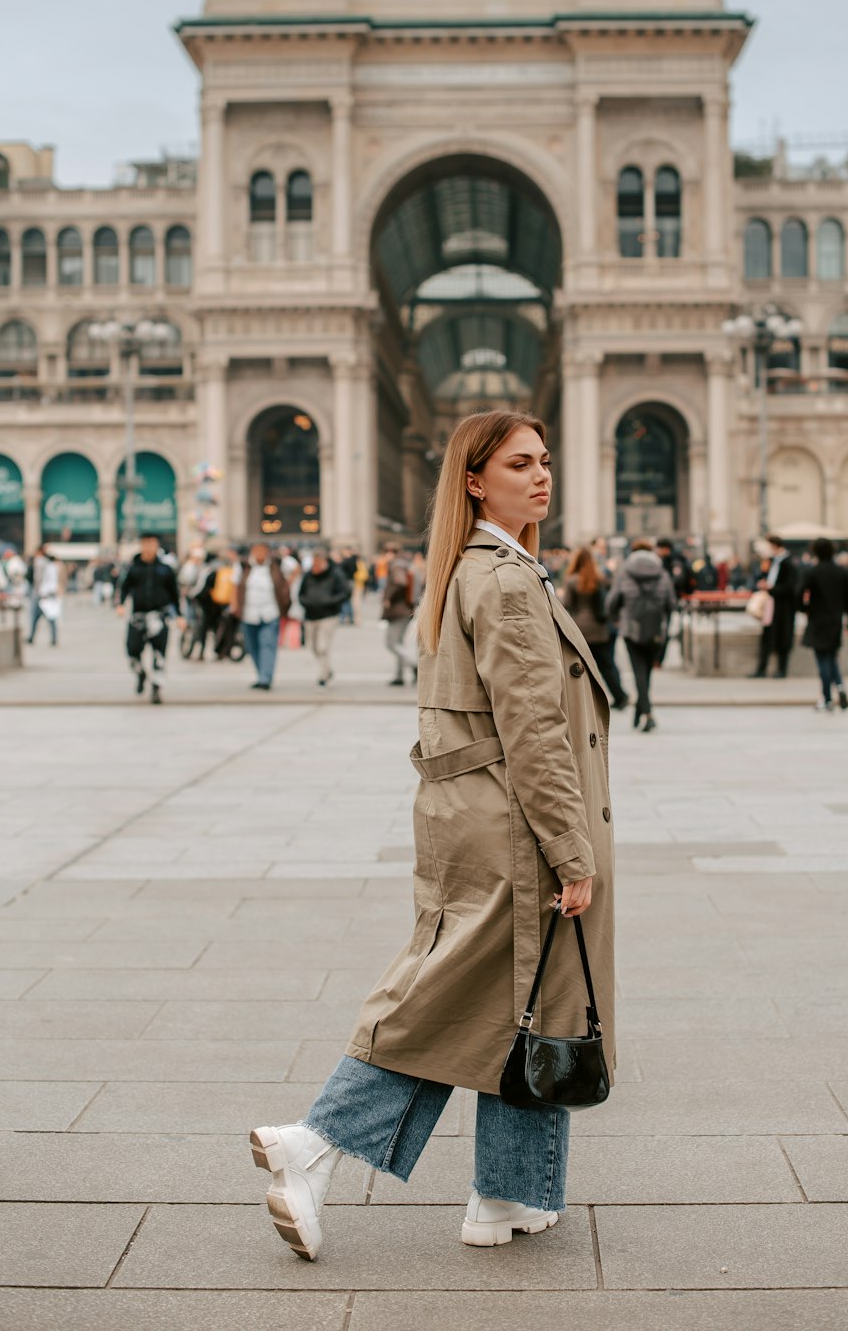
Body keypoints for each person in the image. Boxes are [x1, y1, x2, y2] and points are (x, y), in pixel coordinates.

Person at [249, 409, 615, 1260]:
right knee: (459, 999)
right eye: (520, 463)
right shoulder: (507, 579)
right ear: (477, 480)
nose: (542, 475)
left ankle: (507, 1195)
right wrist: (571, 848)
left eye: (546, 460)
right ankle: (317, 1143)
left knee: (523, 1000)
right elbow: (534, 731)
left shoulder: (479, 569)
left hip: (478, 815)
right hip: (515, 827)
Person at [606, 540, 676, 733]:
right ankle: (642, 710)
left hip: (632, 629)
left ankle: (647, 713)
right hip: (655, 629)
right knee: (646, 673)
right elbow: (671, 604)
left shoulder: (625, 572)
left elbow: (612, 602)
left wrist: (616, 619)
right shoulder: (662, 574)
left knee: (639, 673)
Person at [561, 544, 629, 710]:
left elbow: (566, 605)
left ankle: (586, 701)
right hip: (600, 629)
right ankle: (620, 696)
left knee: (580, 667)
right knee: (607, 665)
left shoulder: (572, 580)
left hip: (580, 630)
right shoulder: (600, 578)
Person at [116, 533, 182, 703]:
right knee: (132, 650)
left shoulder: (165, 569)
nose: (148, 547)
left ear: (157, 545)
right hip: (138, 616)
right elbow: (124, 587)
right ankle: (141, 674)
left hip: (159, 616)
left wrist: (179, 616)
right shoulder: (133, 567)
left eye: (152, 543)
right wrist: (121, 604)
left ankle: (156, 688)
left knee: (159, 654)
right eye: (145, 543)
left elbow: (174, 593)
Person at [802, 536, 848, 712]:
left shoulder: (813, 572)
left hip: (817, 620)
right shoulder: (841, 572)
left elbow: (798, 592)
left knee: (822, 660)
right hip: (835, 620)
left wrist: (805, 608)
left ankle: (826, 698)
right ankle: (840, 687)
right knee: (832, 657)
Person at [232, 542, 290, 691]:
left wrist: (286, 590)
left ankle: (266, 678)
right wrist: (235, 605)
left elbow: (295, 569)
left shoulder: (276, 565)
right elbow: (235, 584)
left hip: (270, 612)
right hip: (248, 613)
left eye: (262, 551)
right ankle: (261, 674)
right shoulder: (243, 565)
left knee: (268, 644)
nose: (259, 554)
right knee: (252, 647)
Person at [298, 548, 350, 686]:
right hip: (311, 615)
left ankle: (323, 674)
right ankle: (327, 669)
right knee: (313, 647)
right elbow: (301, 593)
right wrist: (306, 602)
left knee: (322, 647)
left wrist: (329, 602)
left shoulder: (335, 574)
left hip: (328, 615)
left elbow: (345, 592)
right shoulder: (308, 575)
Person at [751, 535, 799, 678]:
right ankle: (762, 668)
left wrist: (770, 588)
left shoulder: (788, 563)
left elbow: (790, 587)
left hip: (783, 607)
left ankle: (781, 669)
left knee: (782, 637)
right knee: (767, 636)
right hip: (771, 604)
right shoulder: (772, 562)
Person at [381, 543, 417, 686]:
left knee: (391, 643)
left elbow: (399, 582)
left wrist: (388, 598)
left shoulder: (396, 565)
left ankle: (415, 665)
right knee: (399, 643)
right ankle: (399, 676)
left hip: (398, 610)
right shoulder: (405, 564)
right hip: (406, 609)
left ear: (390, 552)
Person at [27, 544, 63, 646]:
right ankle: (53, 638)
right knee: (50, 618)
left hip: (40, 593)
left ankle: (32, 637)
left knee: (35, 617)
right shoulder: (52, 565)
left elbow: (38, 578)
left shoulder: (40, 561)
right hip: (48, 593)